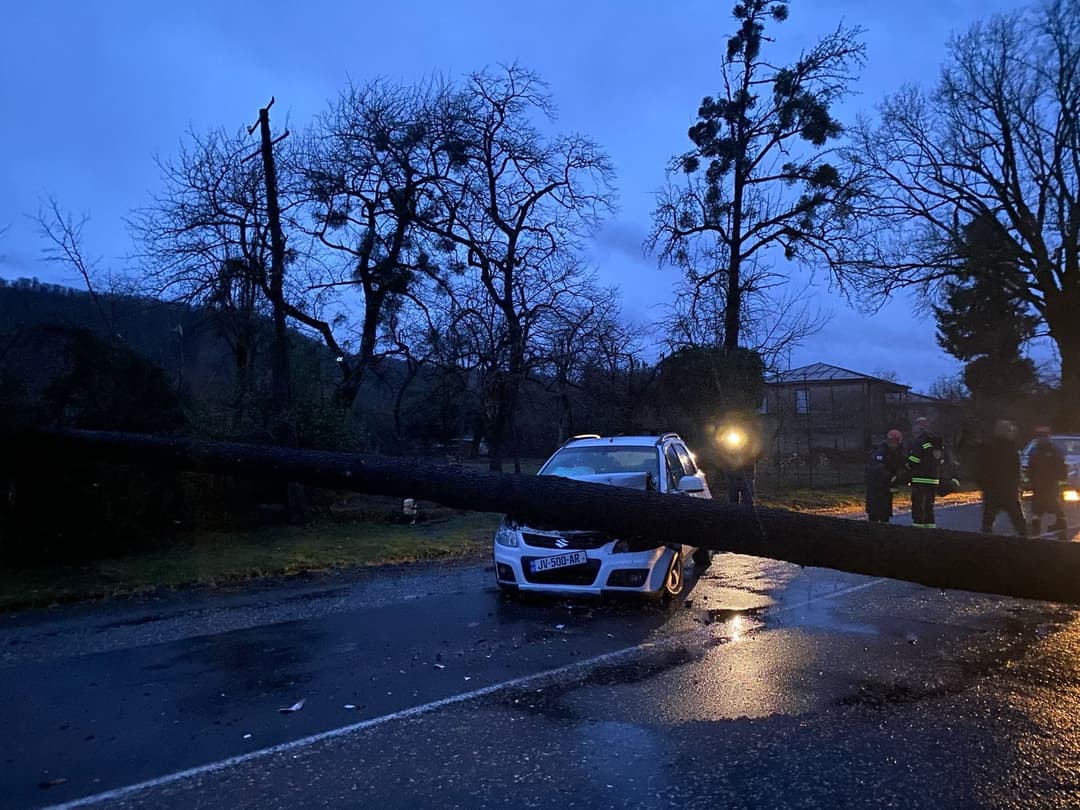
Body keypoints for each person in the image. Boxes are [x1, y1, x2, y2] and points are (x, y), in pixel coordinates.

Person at [975, 419, 1027, 536]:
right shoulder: (1011, 449)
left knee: (987, 522)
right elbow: (1015, 471)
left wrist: (984, 486)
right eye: (1010, 431)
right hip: (1008, 491)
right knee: (1019, 523)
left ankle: (984, 544)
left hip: (991, 490)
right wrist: (1018, 486)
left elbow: (980, 469)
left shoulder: (987, 448)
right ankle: (1028, 546)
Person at [1026, 426, 1068, 541]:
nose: (1042, 439)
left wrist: (1061, 478)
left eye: (1044, 437)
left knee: (1052, 501)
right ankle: (1036, 523)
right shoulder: (1035, 451)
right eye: (1040, 437)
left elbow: (1061, 465)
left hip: (1051, 482)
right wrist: (1030, 480)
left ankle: (1060, 521)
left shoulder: (1053, 450)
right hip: (1038, 482)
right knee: (1038, 503)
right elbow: (1030, 467)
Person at [906, 418, 945, 528]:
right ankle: (930, 527)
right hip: (933, 480)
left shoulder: (920, 442)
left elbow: (914, 460)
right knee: (929, 505)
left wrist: (907, 463)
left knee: (918, 505)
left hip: (919, 479)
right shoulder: (936, 443)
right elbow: (941, 460)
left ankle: (917, 528)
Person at [865, 429, 905, 523]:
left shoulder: (897, 452)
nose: (895, 445)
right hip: (876, 485)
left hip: (887, 486)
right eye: (893, 442)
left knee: (885, 509)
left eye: (896, 442)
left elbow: (901, 464)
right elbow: (877, 468)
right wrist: (890, 477)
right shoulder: (880, 451)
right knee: (875, 509)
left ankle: (884, 525)